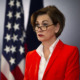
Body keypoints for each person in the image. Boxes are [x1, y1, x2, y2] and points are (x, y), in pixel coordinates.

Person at [24, 5, 79, 80]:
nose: (39, 29)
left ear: (57, 27)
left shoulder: (70, 52)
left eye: (45, 24)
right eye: (37, 25)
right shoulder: (30, 56)